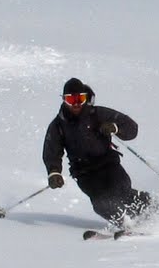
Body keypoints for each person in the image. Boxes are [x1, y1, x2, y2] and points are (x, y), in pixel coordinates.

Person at [42, 77, 152, 229]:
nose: (76, 104)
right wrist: (54, 172)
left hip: (109, 164)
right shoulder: (58, 126)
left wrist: (115, 128)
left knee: (122, 193)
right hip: (84, 173)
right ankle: (126, 224)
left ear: (85, 98)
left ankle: (153, 210)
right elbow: (51, 151)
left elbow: (132, 127)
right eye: (71, 99)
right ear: (64, 100)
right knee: (101, 203)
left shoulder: (98, 114)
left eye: (80, 98)